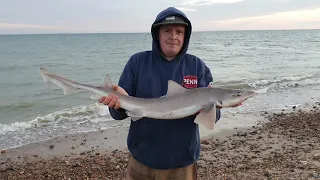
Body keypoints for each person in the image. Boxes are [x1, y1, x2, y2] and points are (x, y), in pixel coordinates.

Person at [99, 7, 232, 180]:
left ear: (185, 36)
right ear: (157, 34)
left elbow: (213, 117)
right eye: (167, 31)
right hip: (141, 159)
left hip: (181, 162)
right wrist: (117, 105)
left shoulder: (197, 66)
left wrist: (211, 108)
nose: (173, 36)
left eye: (179, 31)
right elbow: (118, 114)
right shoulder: (137, 62)